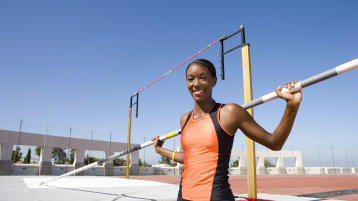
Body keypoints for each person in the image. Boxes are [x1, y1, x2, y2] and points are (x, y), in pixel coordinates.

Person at [152, 59, 302, 201]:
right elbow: (191, 158)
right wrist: (160, 150)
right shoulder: (184, 119)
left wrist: (292, 106)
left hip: (216, 196)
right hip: (183, 195)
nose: (196, 84)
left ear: (214, 81)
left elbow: (274, 143)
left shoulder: (229, 113)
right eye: (191, 79)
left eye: (203, 78)